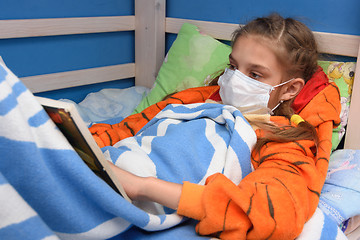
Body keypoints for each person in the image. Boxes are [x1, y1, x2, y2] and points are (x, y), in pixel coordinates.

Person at [89, 14, 341, 239]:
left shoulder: (282, 138)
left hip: (133, 190)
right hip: (106, 165)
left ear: (290, 89)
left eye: (255, 75)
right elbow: (129, 127)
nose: (233, 79)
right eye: (233, 66)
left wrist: (141, 185)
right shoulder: (195, 101)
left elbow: (270, 210)